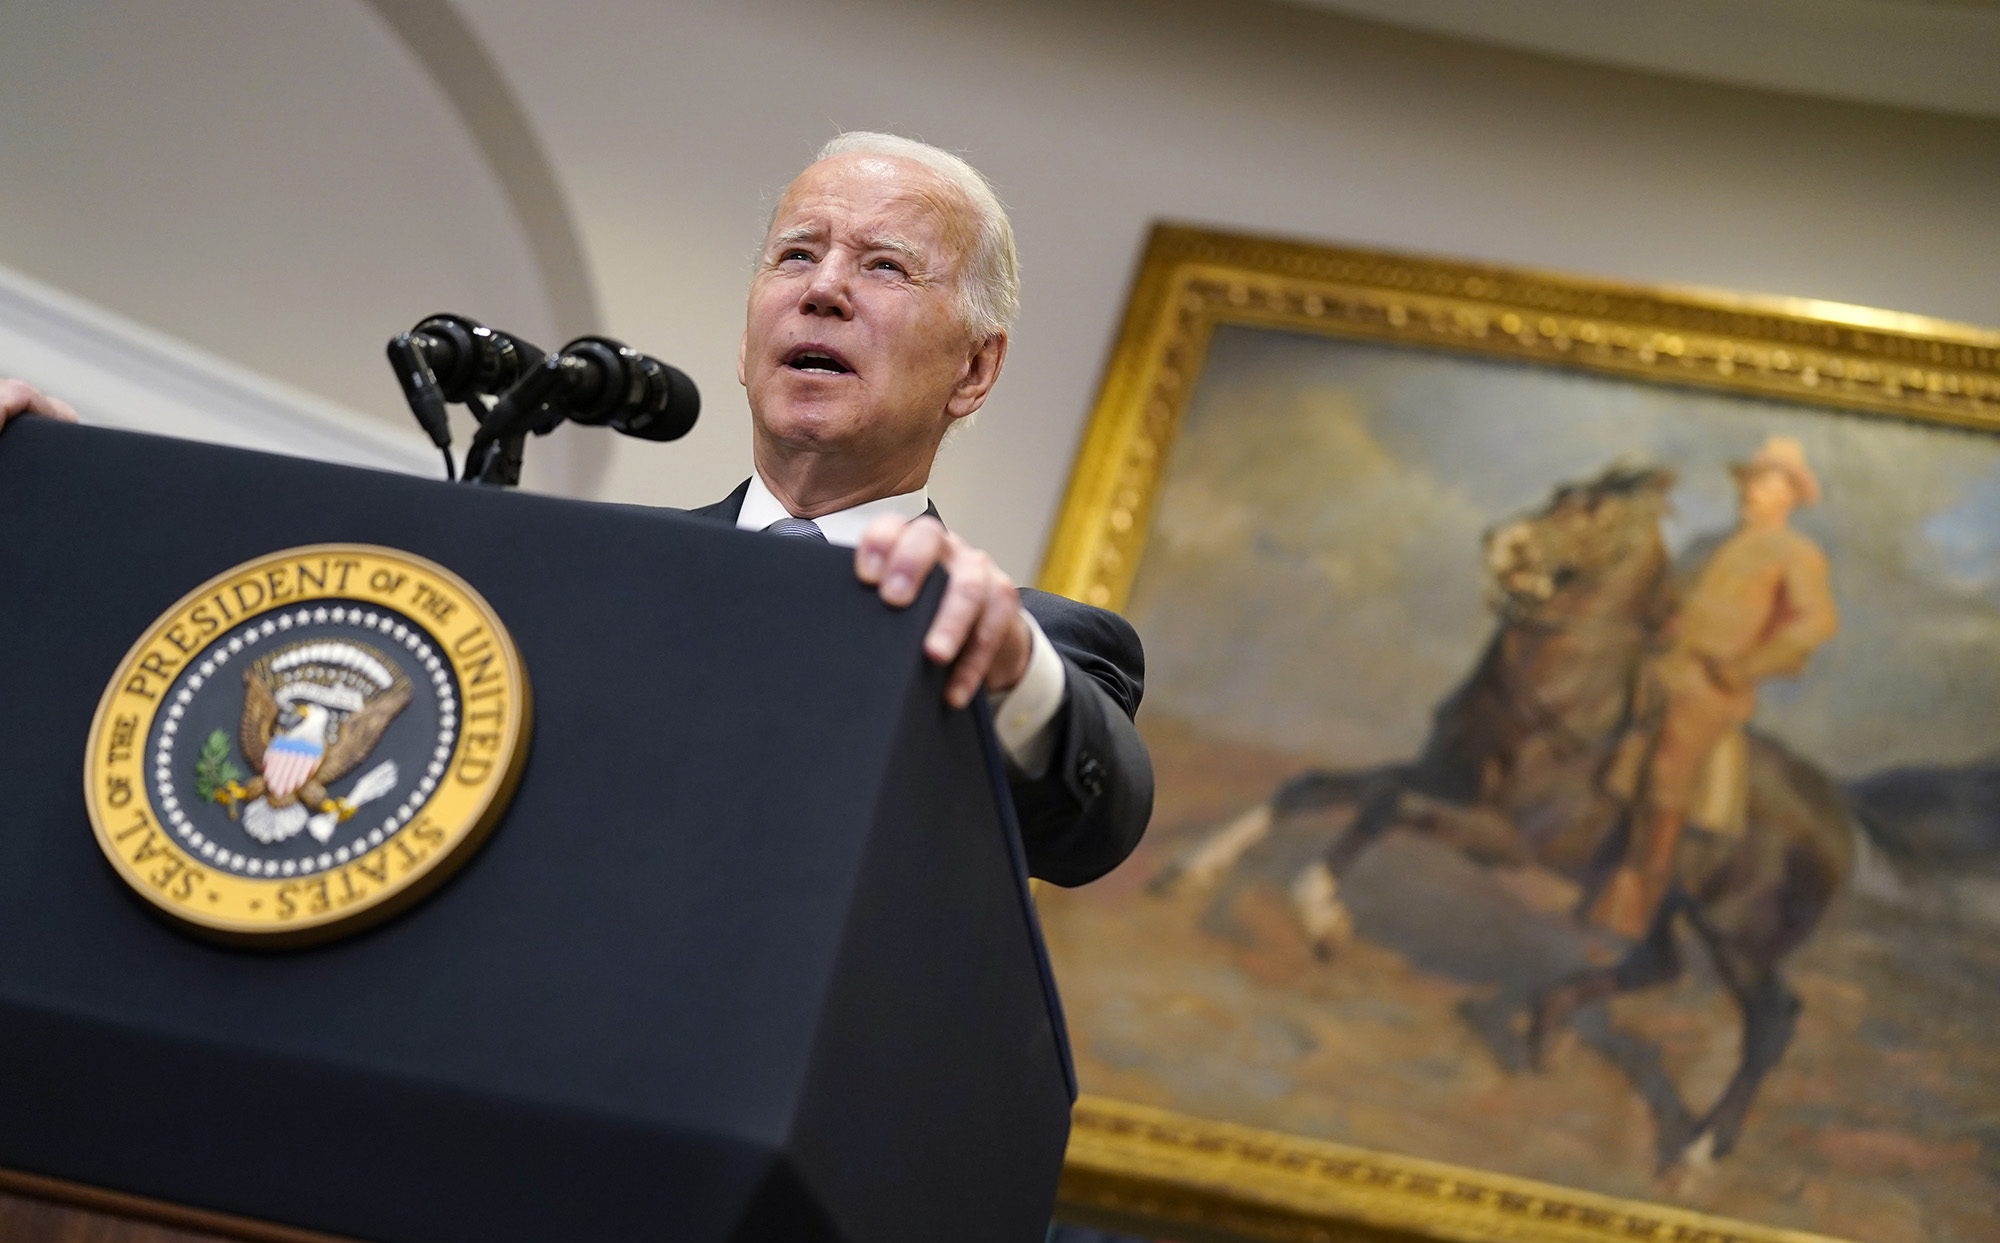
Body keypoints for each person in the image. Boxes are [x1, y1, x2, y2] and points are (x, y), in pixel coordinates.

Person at [0, 132, 1154, 887]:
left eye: (885, 267)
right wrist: (70, 497)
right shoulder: (590, 578)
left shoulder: (1027, 643)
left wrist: (1011, 669)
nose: (823, 286)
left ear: (974, 370)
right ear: (749, 336)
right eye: (795, 253)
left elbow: (1091, 822)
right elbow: (311, 650)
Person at [1590, 435, 1837, 937]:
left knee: (1668, 768)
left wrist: (1746, 667)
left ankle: (1638, 896)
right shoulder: (1707, 544)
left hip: (1712, 685)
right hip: (1659, 670)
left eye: (1767, 483)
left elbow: (1815, 623)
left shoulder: (1796, 553)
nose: (1751, 491)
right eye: (1749, 481)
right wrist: (1663, 620)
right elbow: (1666, 597)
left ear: (1791, 494)